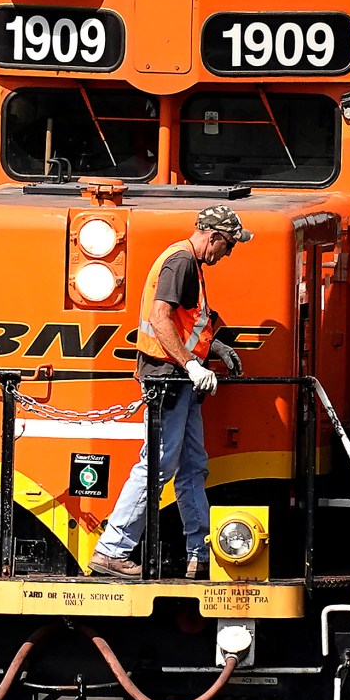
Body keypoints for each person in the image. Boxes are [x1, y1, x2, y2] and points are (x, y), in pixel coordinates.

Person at [89, 204, 251, 577]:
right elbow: (162, 319)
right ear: (214, 237)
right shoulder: (181, 262)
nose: (227, 254)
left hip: (179, 380)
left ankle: (200, 552)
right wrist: (192, 365)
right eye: (228, 246)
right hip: (169, 378)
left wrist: (215, 349)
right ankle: (111, 549)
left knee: (193, 466)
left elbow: (187, 325)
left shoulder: (188, 262)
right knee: (157, 466)